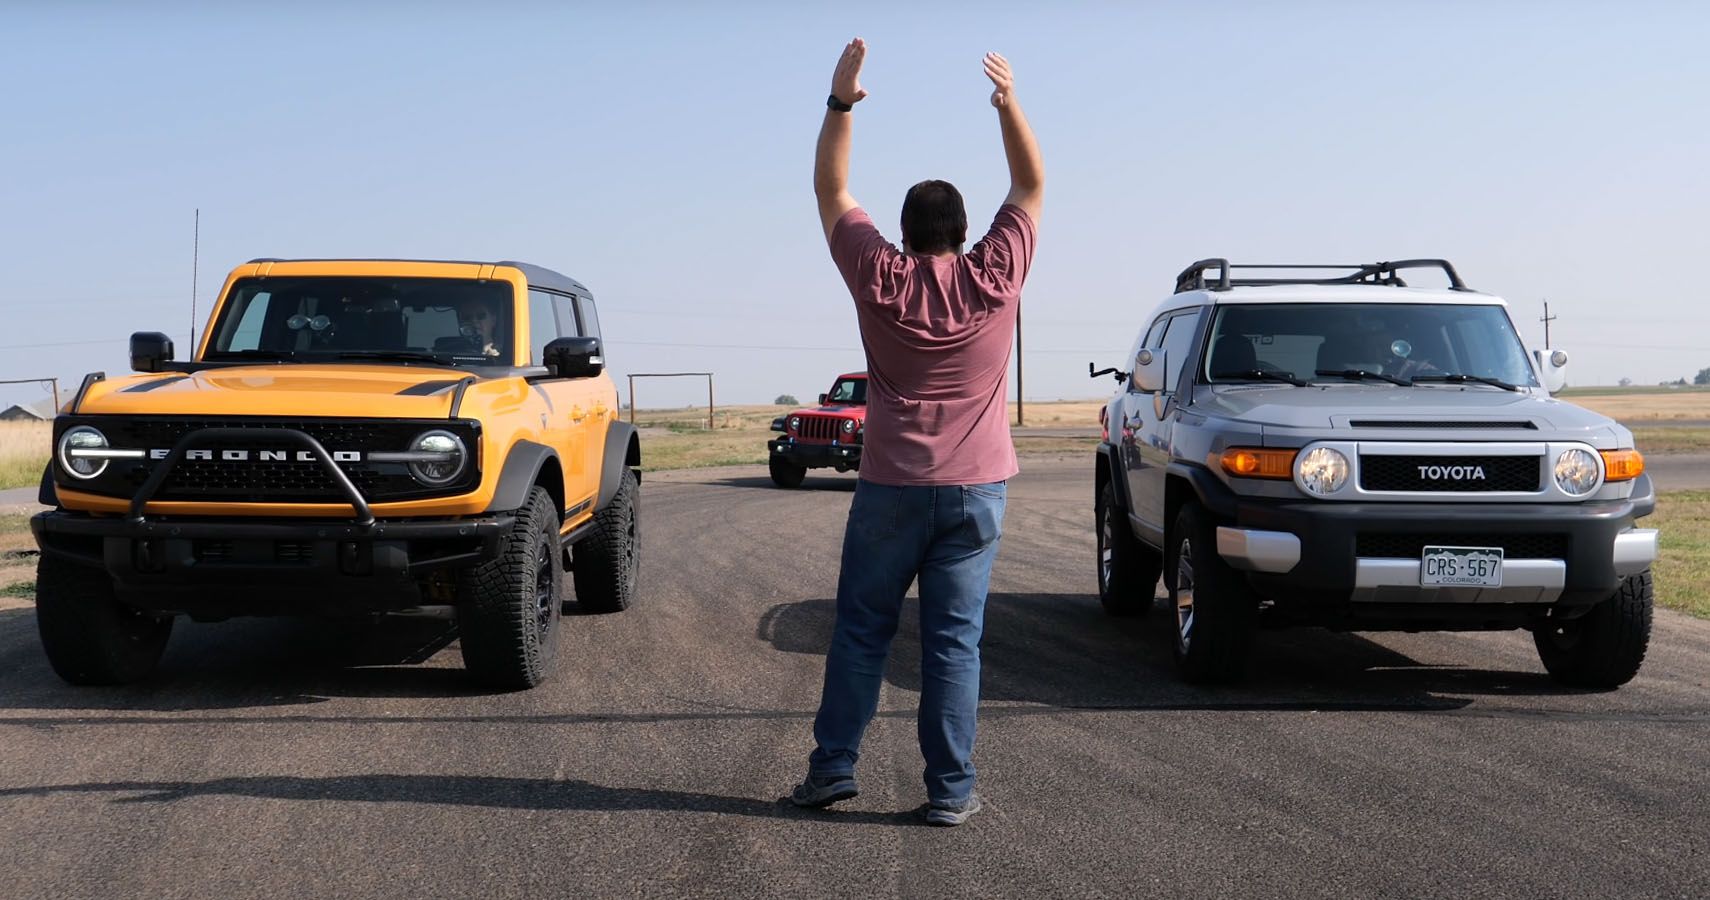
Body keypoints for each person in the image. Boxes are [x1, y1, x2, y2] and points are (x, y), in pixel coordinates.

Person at [790, 38, 1043, 827]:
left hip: (891, 488)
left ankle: (833, 771)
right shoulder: (995, 275)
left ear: (902, 236)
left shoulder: (880, 276)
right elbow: (1031, 184)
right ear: (966, 234)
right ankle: (949, 792)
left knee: (863, 632)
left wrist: (841, 100)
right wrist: (1007, 104)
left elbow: (831, 186)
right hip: (975, 493)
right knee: (952, 645)